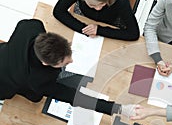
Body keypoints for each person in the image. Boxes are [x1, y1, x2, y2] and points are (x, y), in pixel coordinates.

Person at [0, 19, 135, 117]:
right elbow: (73, 97)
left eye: (69, 54)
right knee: (35, 97)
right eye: (64, 63)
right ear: (46, 64)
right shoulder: (36, 80)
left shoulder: (32, 26)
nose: (71, 61)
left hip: (5, 53)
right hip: (5, 85)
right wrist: (117, 109)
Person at [53, 0, 140, 41]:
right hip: (83, 15)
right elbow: (58, 11)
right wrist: (84, 29)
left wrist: (99, 30)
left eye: (102, 3)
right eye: (92, 5)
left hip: (111, 21)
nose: (98, 8)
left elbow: (133, 33)